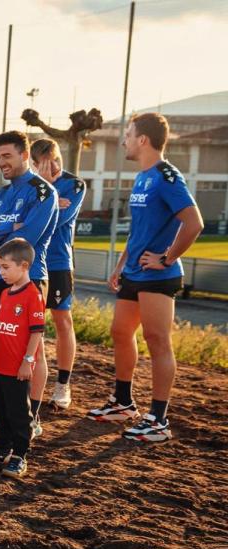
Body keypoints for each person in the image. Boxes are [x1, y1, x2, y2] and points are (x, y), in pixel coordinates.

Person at [87, 112, 204, 442]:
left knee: (157, 340)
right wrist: (120, 264)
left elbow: (194, 223)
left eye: (128, 133)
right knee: (120, 332)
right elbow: (138, 230)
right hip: (134, 272)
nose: (123, 139)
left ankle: (158, 419)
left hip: (158, 275)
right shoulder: (142, 177)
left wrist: (167, 258)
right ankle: (123, 403)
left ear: (143, 140)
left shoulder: (166, 176)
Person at [0, 131, 57, 436]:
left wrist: (2, 229)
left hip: (30, 277)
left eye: (7, 156)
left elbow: (25, 240)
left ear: (24, 156)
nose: (1, 162)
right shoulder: (0, 195)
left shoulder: (42, 192)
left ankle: (31, 416)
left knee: (34, 349)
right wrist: (11, 226)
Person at [0, 238, 45, 479]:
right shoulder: (4, 293)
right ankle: (2, 449)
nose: (1, 272)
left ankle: (19, 455)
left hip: (18, 367)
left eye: (6, 267)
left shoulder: (33, 295)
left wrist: (27, 360)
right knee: (1, 410)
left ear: (24, 266)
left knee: (18, 412)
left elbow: (37, 331)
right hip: (1, 365)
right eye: (0, 267)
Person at [30, 138, 85, 410]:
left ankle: (63, 384)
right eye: (41, 163)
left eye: (53, 160)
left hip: (59, 262)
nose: (50, 167)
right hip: (32, 262)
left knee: (62, 322)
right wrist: (50, 199)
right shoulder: (29, 184)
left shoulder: (75, 185)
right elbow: (30, 219)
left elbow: (57, 221)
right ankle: (31, 380)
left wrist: (46, 194)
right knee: (32, 325)